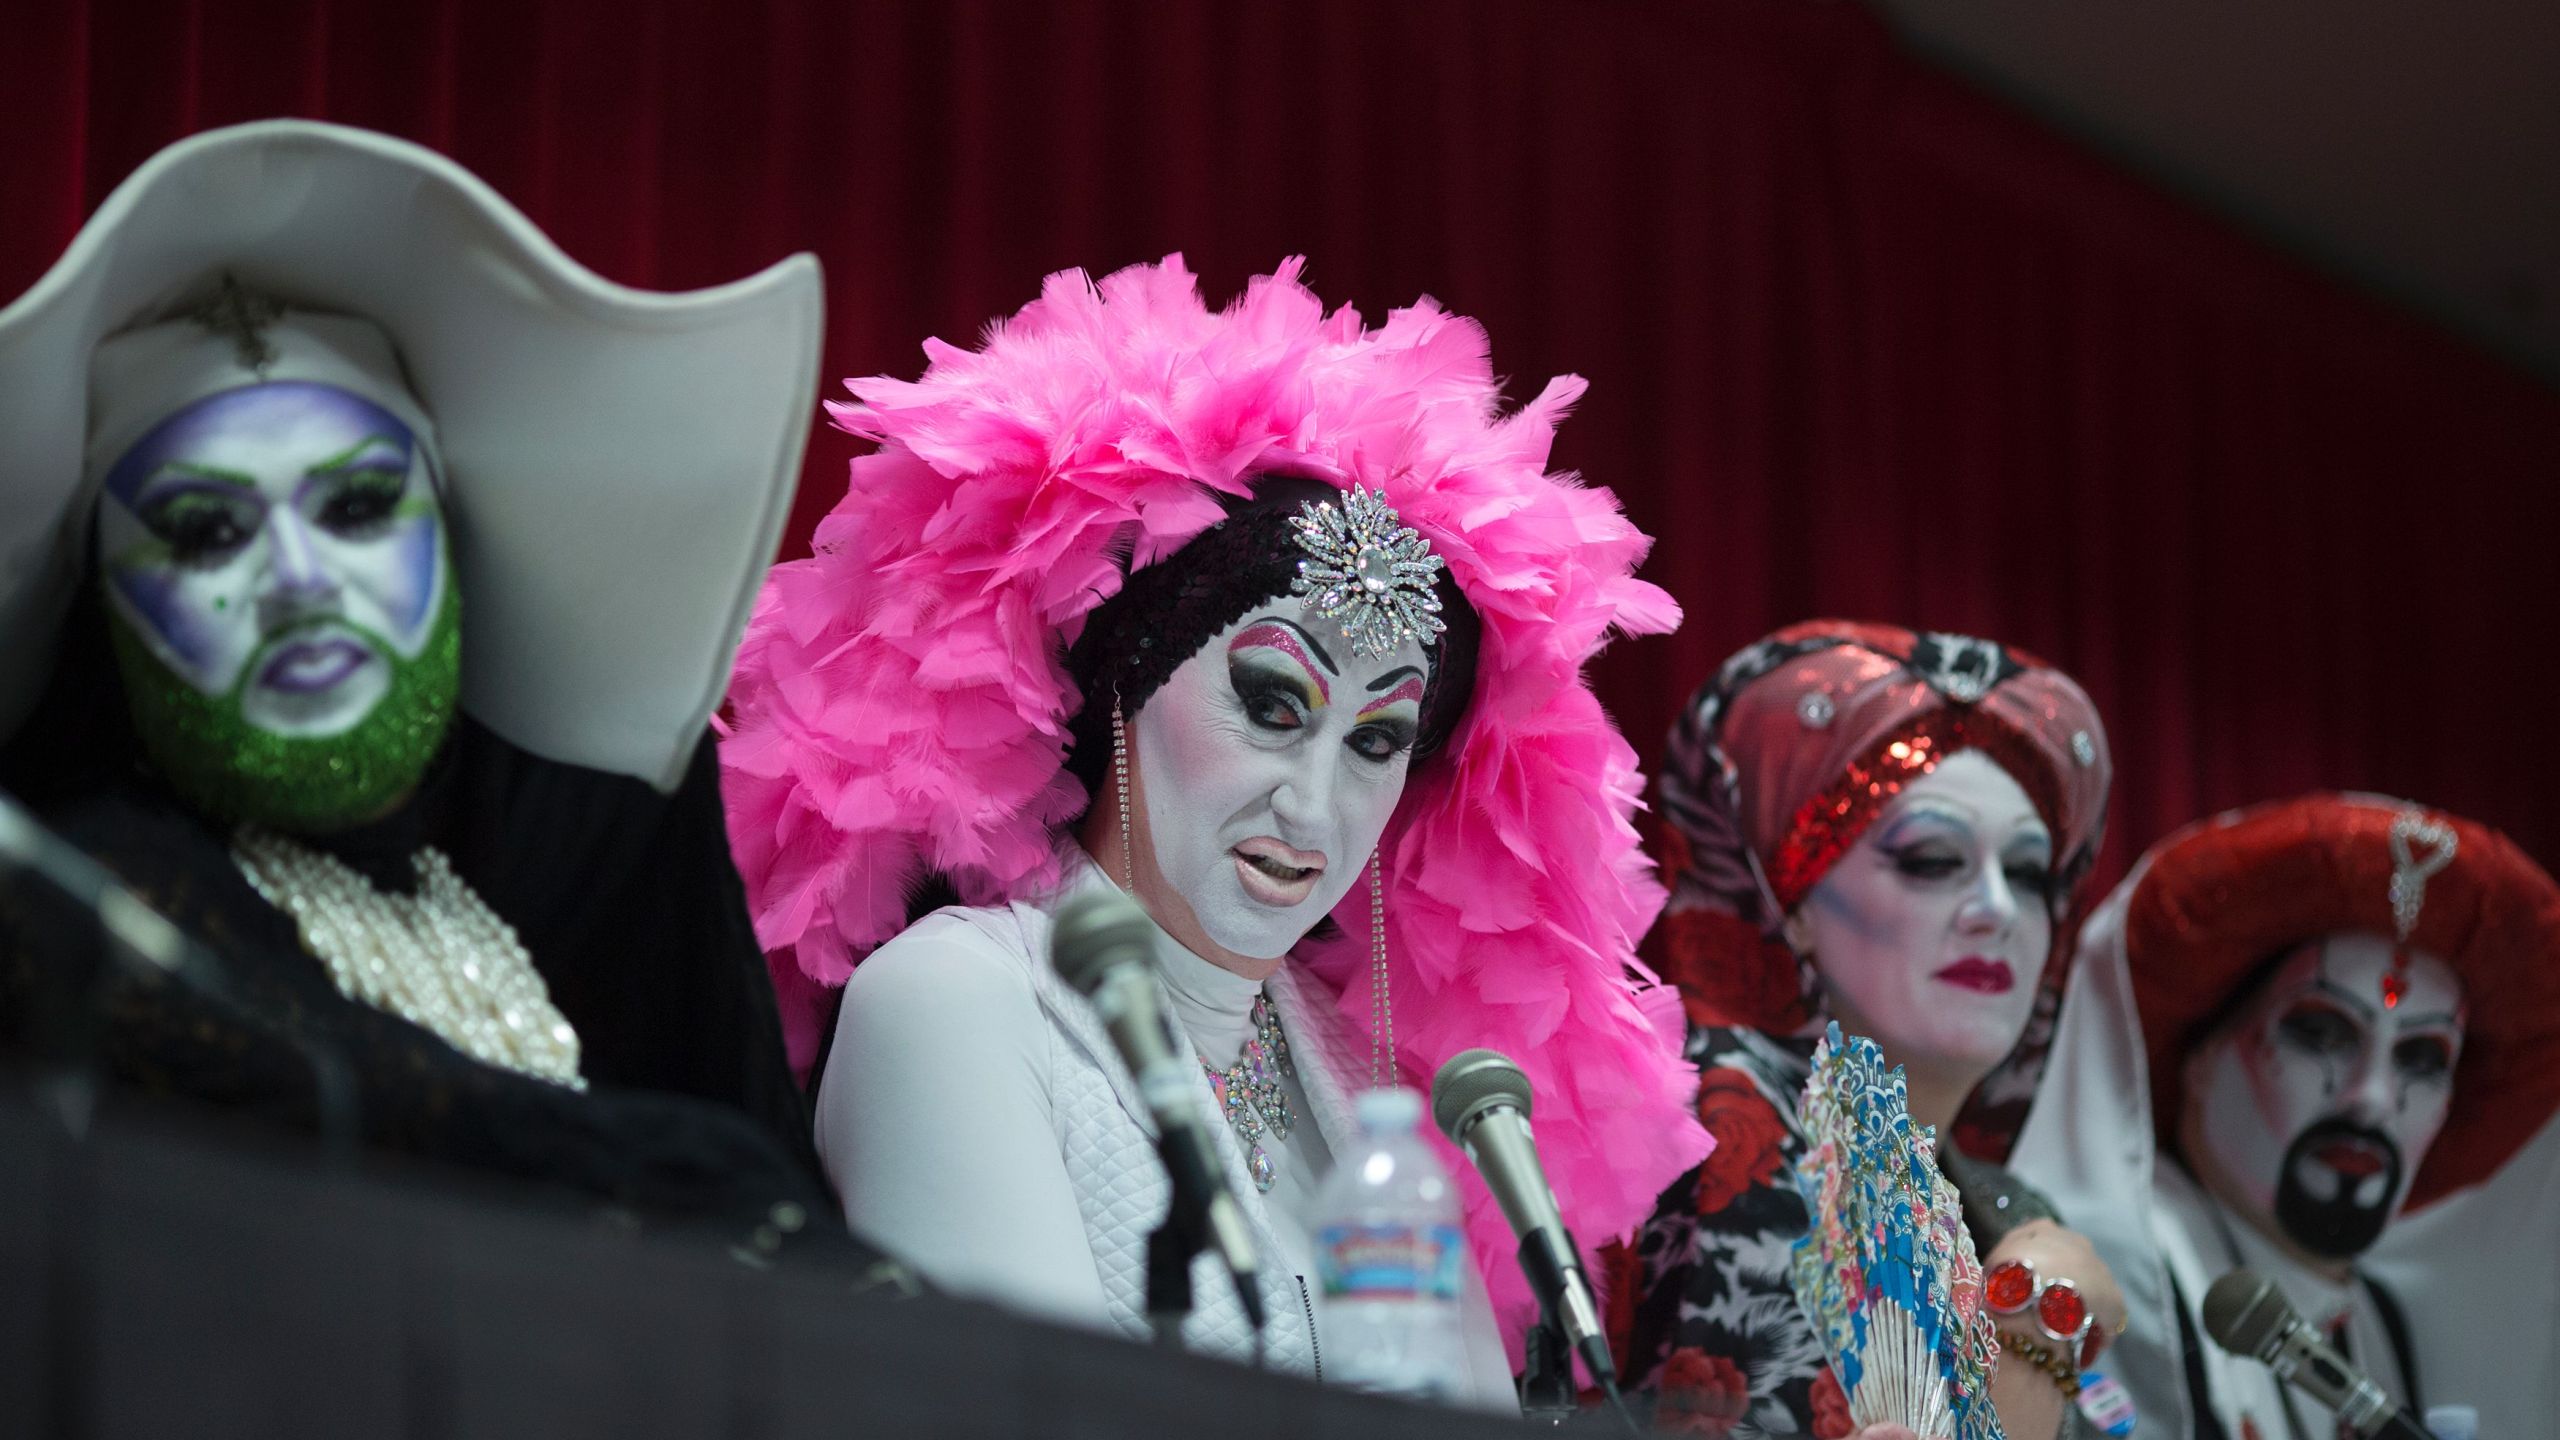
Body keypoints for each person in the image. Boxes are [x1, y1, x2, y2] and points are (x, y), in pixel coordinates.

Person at [717, 255, 1712, 1398]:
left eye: (1376, 743)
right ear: (1128, 684)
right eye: (1271, 705)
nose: (1314, 803)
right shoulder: (959, 1003)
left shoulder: (1358, 1080)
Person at [0, 120, 854, 1255]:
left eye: (356, 509)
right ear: (108, 609)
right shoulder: (79, 891)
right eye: (208, 532)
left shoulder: (583, 847)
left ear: (448, 547)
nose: (300, 583)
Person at [1610, 622, 2128, 1440]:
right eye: (1930, 859)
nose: (1997, 910)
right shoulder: (1703, 1138)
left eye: (2029, 875)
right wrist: (2032, 1329)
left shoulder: (2001, 1205)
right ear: (1792, 904)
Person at [2009, 793, 2560, 1440]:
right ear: (2201, 1059)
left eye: (2422, 1059)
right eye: (2322, 1034)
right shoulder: (2112, 1275)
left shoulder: (2375, 1315)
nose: (2372, 1098)